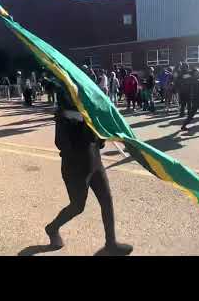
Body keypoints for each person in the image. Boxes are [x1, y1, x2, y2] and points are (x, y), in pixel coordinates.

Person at [45, 86, 133, 256]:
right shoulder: (63, 120)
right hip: (75, 169)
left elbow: (99, 142)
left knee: (107, 200)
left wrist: (99, 129)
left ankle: (111, 244)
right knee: (77, 207)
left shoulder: (88, 115)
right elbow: (64, 146)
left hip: (95, 163)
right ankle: (52, 228)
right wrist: (78, 123)